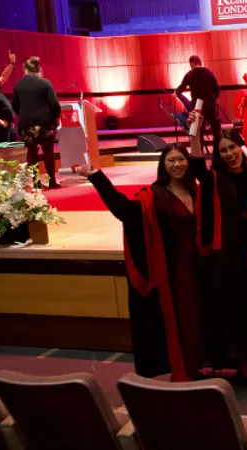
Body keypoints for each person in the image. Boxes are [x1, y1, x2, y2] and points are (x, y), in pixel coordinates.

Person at [76, 146, 204, 382]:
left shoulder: (197, 192)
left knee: (198, 320)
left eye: (181, 159)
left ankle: (193, 366)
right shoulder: (153, 196)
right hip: (174, 270)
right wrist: (97, 177)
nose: (177, 165)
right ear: (163, 166)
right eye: (171, 160)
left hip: (201, 268)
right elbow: (122, 209)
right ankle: (181, 372)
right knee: (181, 320)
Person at [187, 111, 247, 378]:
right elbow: (196, 165)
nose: (229, 154)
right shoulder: (216, 178)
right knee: (237, 308)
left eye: (233, 147)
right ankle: (243, 362)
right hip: (232, 251)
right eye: (223, 150)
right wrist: (193, 132)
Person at [12, 57, 61, 189]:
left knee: (31, 152)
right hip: (45, 123)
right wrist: (54, 118)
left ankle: (36, 182)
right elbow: (55, 104)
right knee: (48, 152)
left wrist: (24, 115)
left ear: (25, 70)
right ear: (38, 69)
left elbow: (15, 106)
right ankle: (52, 181)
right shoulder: (45, 83)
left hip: (26, 123)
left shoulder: (18, 85)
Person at [176, 55, 221, 152]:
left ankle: (199, 153)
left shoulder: (189, 74)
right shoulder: (209, 73)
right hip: (210, 105)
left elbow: (180, 89)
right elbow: (217, 90)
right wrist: (212, 99)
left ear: (191, 63)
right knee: (216, 130)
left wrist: (176, 92)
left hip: (197, 107)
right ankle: (218, 153)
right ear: (200, 62)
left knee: (198, 132)